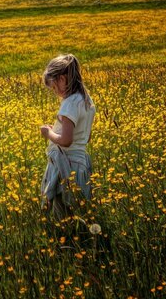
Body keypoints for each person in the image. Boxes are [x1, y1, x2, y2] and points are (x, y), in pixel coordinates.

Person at [39, 54, 96, 220]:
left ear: (62, 79)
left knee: (61, 210)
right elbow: (86, 137)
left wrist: (48, 133)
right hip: (80, 164)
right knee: (78, 209)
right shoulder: (86, 100)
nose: (56, 93)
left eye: (55, 88)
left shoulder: (70, 104)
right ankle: (79, 236)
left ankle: (63, 237)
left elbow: (66, 140)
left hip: (66, 165)